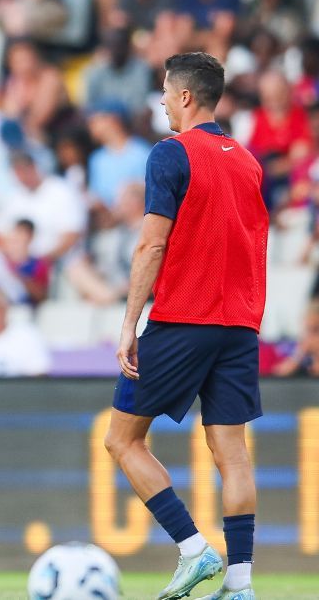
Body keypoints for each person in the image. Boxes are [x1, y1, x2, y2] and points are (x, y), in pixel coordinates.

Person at [106, 52, 269, 600]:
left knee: (122, 439)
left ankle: (194, 550)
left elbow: (153, 242)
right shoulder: (247, 161)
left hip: (183, 317)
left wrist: (130, 321)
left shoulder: (170, 154)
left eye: (164, 92)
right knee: (233, 454)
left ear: (184, 97)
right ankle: (242, 584)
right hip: (239, 324)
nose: (160, 102)